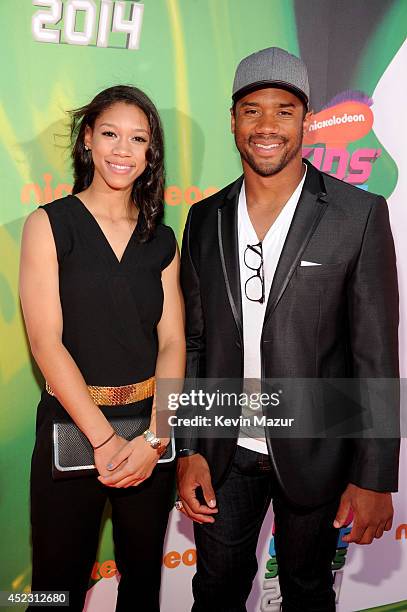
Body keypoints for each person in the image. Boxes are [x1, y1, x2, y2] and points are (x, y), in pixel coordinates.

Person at [176, 48, 399, 611]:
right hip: (224, 452)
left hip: (319, 450)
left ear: (307, 120)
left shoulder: (359, 213)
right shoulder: (205, 217)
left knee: (306, 591)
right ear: (233, 121)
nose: (267, 126)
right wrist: (189, 448)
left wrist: (375, 477)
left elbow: (375, 353)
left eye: (283, 110)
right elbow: (195, 343)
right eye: (251, 110)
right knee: (216, 593)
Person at [19, 85, 185, 611]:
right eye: (110, 133)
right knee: (55, 586)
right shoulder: (49, 224)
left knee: (141, 588)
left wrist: (156, 437)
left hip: (147, 434)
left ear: (149, 154)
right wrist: (105, 442)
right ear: (87, 139)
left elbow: (174, 340)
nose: (122, 149)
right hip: (72, 425)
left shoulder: (162, 237)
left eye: (138, 140)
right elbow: (46, 343)